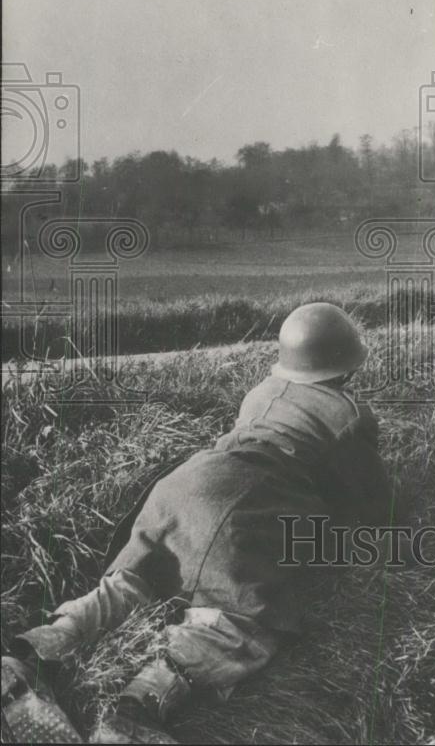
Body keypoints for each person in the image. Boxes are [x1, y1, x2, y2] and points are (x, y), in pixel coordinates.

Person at [2, 303, 395, 745]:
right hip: (244, 503)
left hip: (184, 483)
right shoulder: (349, 415)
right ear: (346, 365)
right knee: (235, 625)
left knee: (134, 581)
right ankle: (136, 710)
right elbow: (371, 509)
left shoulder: (262, 391)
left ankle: (30, 653)